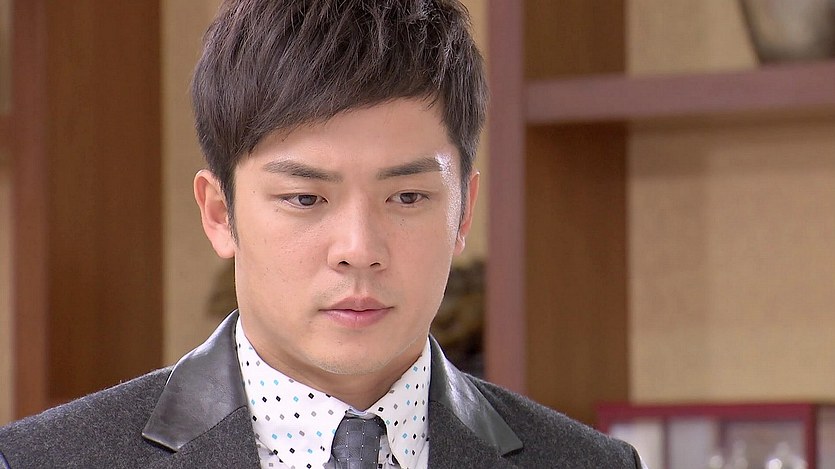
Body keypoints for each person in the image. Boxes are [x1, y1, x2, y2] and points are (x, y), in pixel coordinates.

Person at [0, 1, 645, 467]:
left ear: (463, 210)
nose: (359, 249)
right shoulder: (41, 461)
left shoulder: (589, 464)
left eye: (408, 197)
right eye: (305, 198)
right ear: (220, 213)